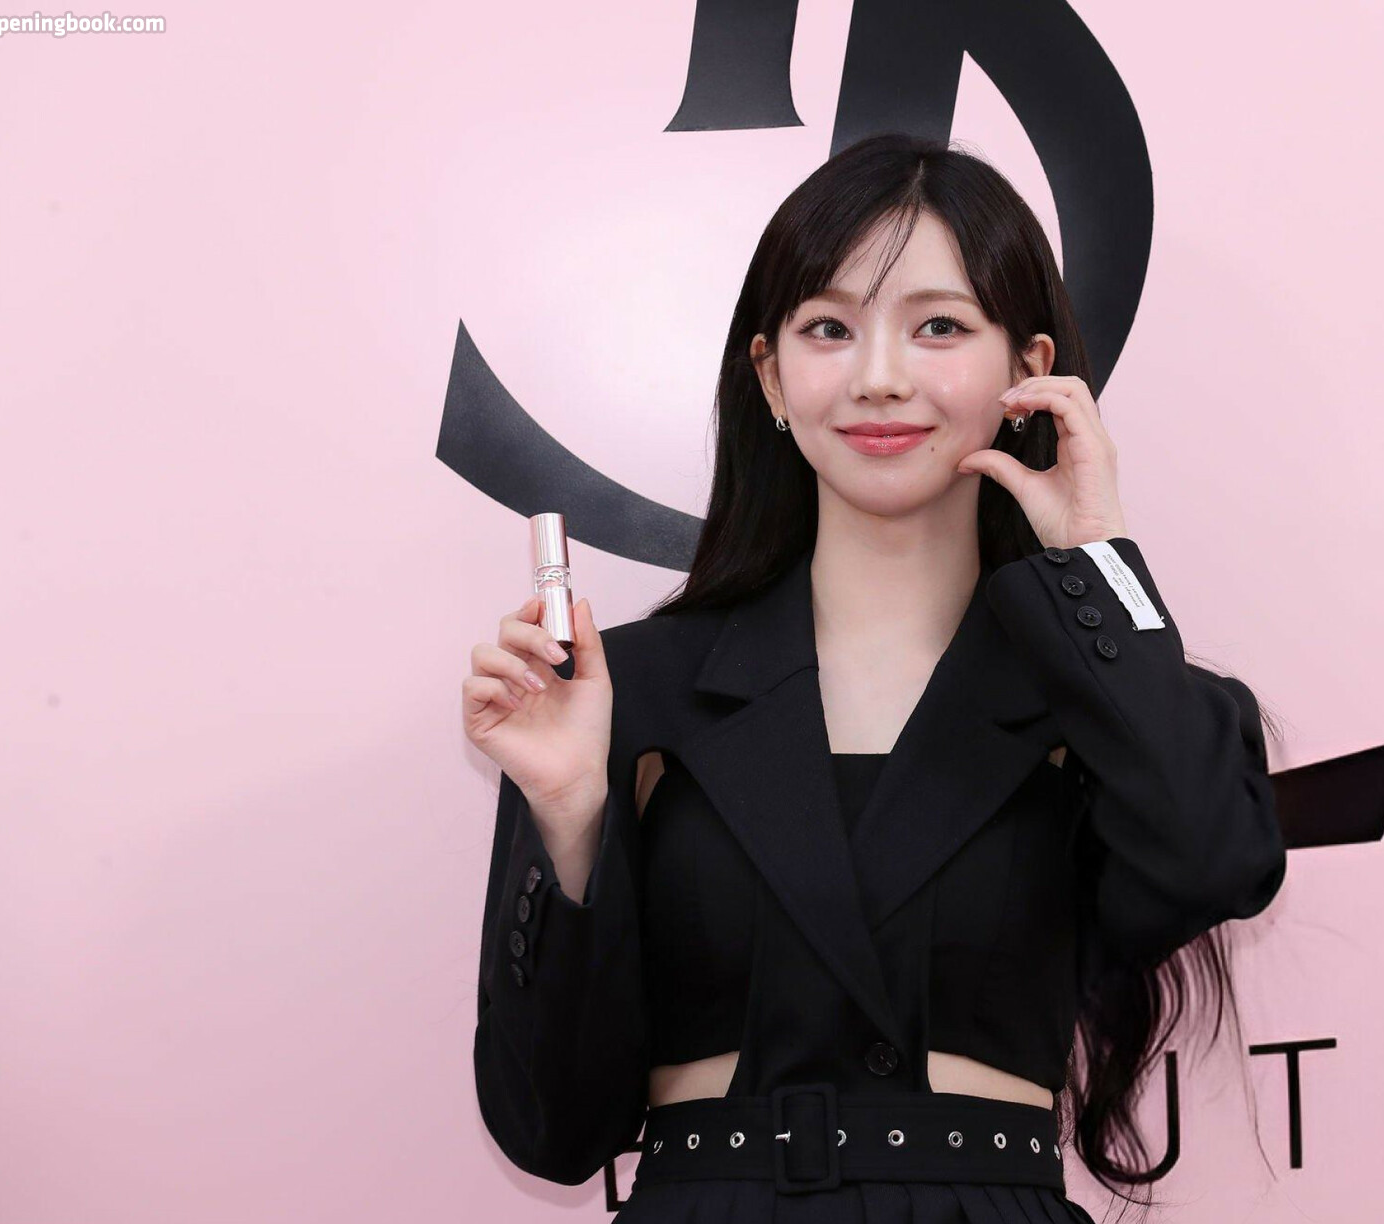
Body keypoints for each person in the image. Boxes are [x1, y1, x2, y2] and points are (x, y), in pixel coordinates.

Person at [462, 132, 1287, 1222]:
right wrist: (570, 815)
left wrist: (1099, 562)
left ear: (1028, 371)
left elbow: (1216, 860)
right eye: (830, 329)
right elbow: (550, 1131)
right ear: (771, 376)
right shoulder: (626, 692)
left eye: (939, 325)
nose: (881, 376)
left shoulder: (1101, 690)